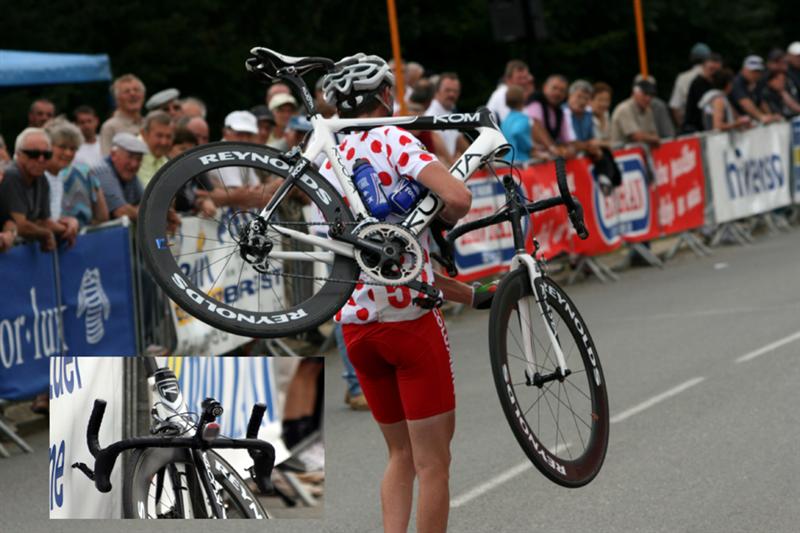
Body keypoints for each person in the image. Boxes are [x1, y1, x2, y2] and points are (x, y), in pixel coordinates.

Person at [319, 52, 484, 533]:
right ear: (386, 96)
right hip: (409, 326)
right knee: (434, 463)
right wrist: (445, 210)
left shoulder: (329, 161)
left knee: (399, 455)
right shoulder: (393, 137)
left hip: (356, 329)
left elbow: (388, 266)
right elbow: (457, 198)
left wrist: (474, 296)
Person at [0, 128, 78, 251]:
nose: (41, 159)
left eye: (46, 155)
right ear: (19, 154)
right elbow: (20, 225)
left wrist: (69, 226)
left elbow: (44, 221)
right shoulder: (11, 176)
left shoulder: (41, 178)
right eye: (33, 154)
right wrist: (46, 234)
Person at [92, 132, 149, 221]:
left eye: (139, 159)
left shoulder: (128, 173)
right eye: (130, 157)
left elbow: (148, 202)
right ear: (113, 155)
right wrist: (148, 213)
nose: (134, 164)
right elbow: (121, 211)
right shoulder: (102, 170)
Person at [526, 74, 574, 157]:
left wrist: (569, 149)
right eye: (554, 88)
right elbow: (535, 125)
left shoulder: (560, 112)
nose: (557, 93)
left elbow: (566, 139)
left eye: (562, 90)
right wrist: (552, 147)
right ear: (545, 88)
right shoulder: (535, 102)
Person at [425, 72, 468, 160]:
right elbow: (438, 147)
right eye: (447, 90)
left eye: (455, 91)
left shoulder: (449, 112)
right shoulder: (431, 115)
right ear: (437, 92)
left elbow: (460, 140)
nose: (451, 94)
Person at [99, 74, 146, 155]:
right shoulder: (110, 127)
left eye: (136, 90)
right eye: (127, 91)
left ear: (143, 95)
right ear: (117, 99)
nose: (133, 94)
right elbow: (106, 159)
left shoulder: (148, 123)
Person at [669, 42, 712, 127]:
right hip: (709, 123)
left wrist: (683, 126)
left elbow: (675, 106)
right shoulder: (711, 76)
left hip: (690, 125)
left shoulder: (682, 78)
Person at [609, 79, 660, 148]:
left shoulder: (648, 110)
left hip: (638, 152)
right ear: (635, 93)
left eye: (651, 95)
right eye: (645, 94)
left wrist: (651, 138)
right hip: (621, 154)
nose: (648, 98)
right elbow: (636, 136)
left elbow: (654, 134)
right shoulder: (624, 109)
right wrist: (652, 138)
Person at [730, 55, 779, 124]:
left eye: (758, 71)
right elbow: (744, 102)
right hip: (738, 123)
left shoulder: (756, 82)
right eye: (753, 71)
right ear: (744, 69)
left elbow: (761, 101)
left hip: (750, 121)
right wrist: (761, 117)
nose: (756, 74)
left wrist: (770, 115)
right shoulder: (737, 82)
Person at [682, 53, 723, 133]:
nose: (714, 73)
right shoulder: (698, 83)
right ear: (704, 67)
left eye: (717, 71)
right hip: (696, 128)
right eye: (711, 69)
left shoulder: (715, 84)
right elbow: (705, 107)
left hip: (705, 127)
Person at [138, 110, 175, 186]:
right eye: (159, 136)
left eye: (168, 137)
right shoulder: (133, 155)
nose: (164, 142)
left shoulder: (164, 160)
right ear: (144, 134)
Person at [500, 85, 535, 162]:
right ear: (523, 98)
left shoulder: (505, 120)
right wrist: (530, 147)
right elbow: (517, 132)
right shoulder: (523, 119)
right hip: (520, 161)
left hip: (507, 161)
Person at [635, 74, 675, 139]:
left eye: (649, 90)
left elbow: (668, 134)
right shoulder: (627, 108)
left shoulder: (658, 106)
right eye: (643, 91)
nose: (647, 97)